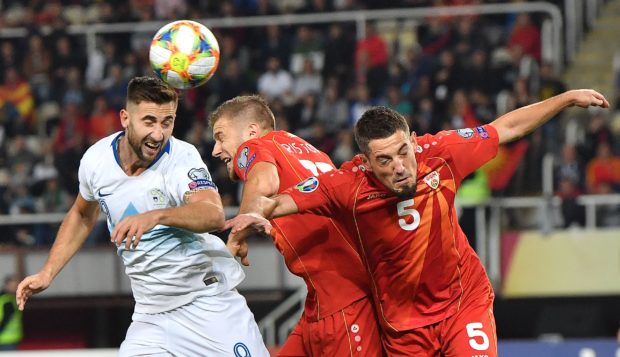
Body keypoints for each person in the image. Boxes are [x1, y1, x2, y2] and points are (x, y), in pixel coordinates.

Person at [226, 89, 609, 356]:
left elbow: (505, 128)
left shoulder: (440, 152)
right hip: (403, 325)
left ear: (412, 138)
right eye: (385, 161)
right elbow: (280, 201)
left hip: (463, 303)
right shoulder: (345, 184)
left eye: (403, 152)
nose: (399, 168)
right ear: (365, 161)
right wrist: (245, 224)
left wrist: (566, 98)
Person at [15, 77, 269, 357]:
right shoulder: (96, 161)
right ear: (125, 118)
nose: (159, 134)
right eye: (149, 121)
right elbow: (82, 214)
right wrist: (47, 273)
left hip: (207, 306)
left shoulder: (181, 158)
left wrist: (155, 216)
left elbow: (212, 214)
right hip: (151, 317)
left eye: (167, 122)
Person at [209, 95, 384, 356]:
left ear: (251, 131)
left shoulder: (254, 146)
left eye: (221, 137)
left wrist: (239, 232)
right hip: (324, 300)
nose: (215, 149)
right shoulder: (310, 150)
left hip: (344, 303)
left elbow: (263, 182)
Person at [0, 275, 22, 351]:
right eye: (12, 286)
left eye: (16, 286)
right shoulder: (7, 301)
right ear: (6, 285)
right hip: (5, 339)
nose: (15, 288)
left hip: (9, 339)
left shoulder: (9, 298)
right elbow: (4, 320)